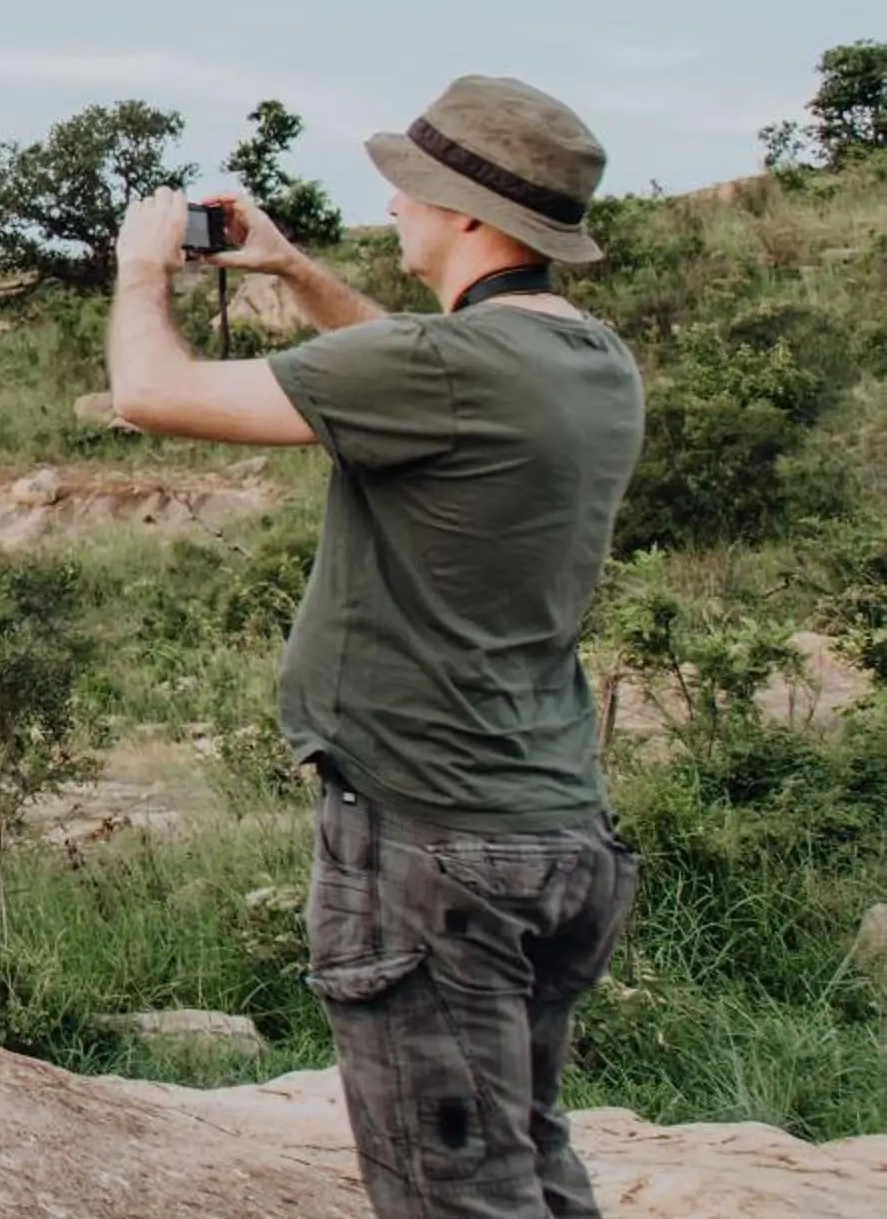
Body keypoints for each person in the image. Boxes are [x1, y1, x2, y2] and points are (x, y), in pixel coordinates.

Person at [104, 75, 645, 1219]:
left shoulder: (446, 369)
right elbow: (415, 361)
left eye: (411, 187)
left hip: (432, 844)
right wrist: (292, 269)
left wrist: (141, 265)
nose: (394, 204)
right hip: (554, 828)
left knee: (456, 1193)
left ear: (469, 215)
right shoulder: (588, 359)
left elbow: (149, 391)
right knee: (530, 1159)